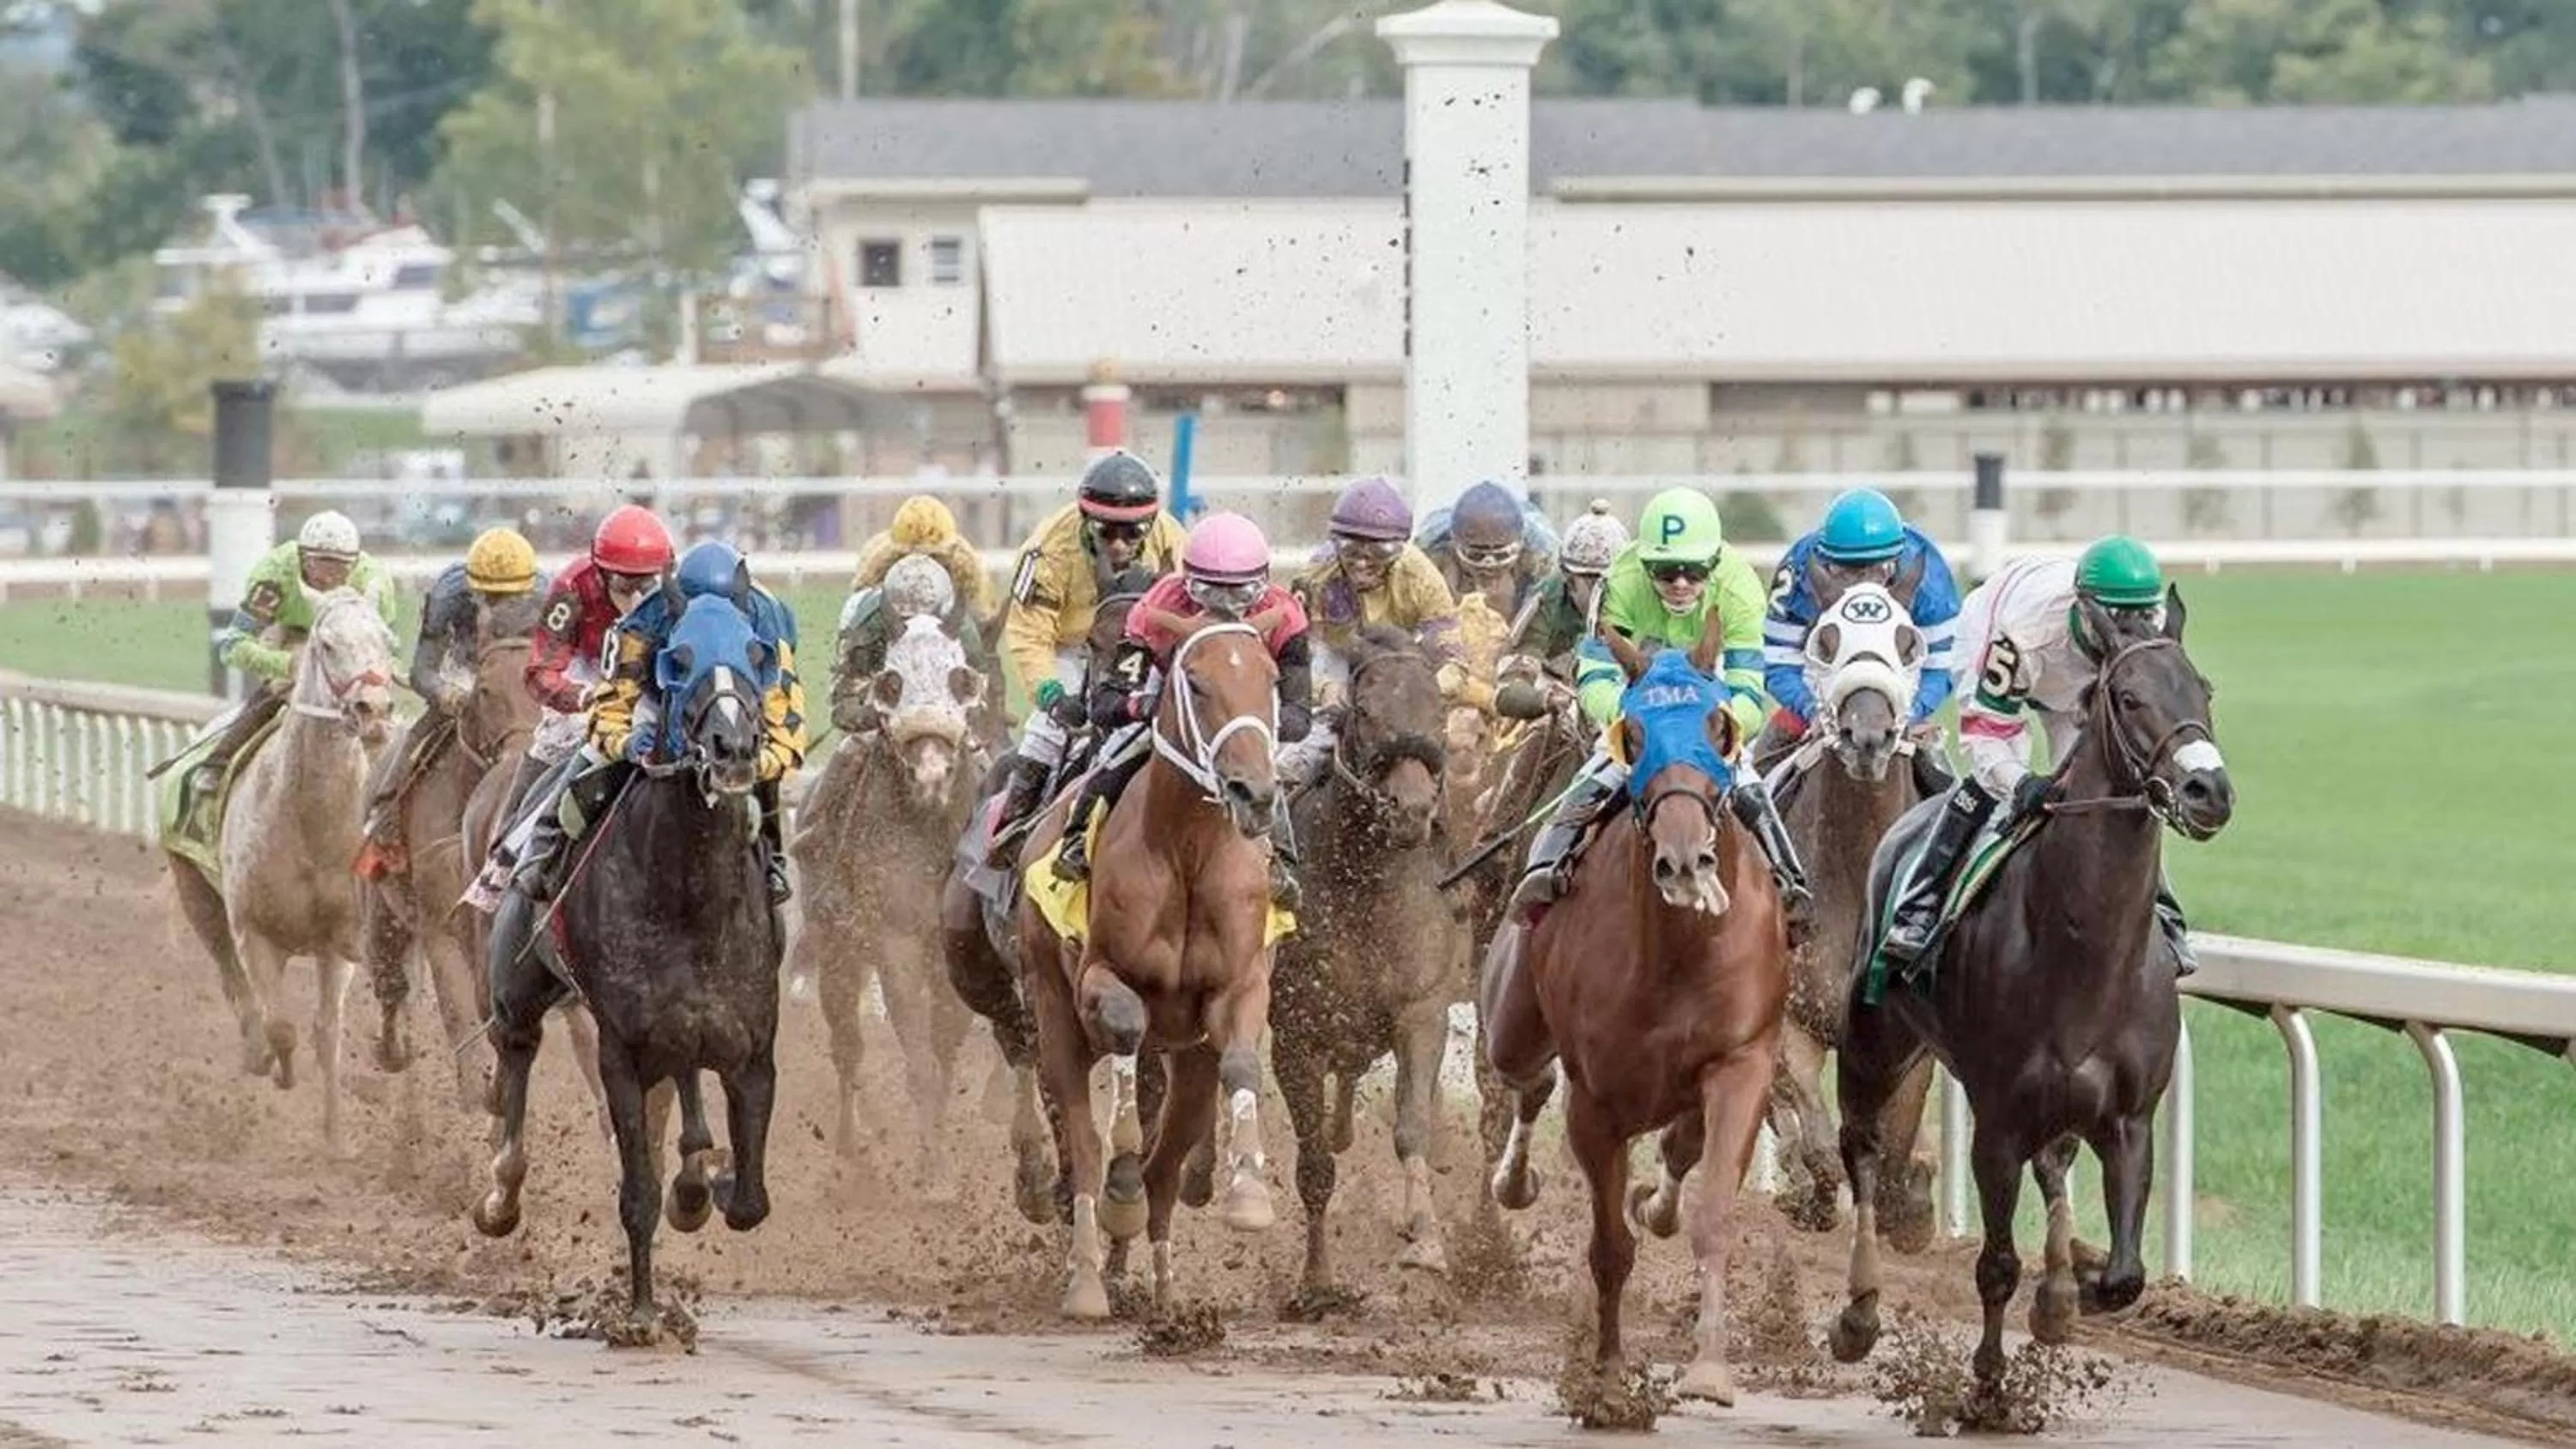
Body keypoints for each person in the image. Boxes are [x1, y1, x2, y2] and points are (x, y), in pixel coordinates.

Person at [1878, 535, 2200, 975]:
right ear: (2084, 607)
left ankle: (2162, 911)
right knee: (1996, 789)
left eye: (2140, 616)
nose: (2127, 628)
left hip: (2080, 681)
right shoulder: (2021, 639)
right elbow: (1986, 737)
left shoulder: (2151, 617)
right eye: (2115, 617)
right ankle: (1920, 905)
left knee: (2120, 784)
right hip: (1998, 630)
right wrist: (2023, 783)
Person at [1504, 488, 1815, 931]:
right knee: (1597, 770)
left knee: (1747, 778)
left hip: (1709, 697)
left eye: (1694, 571)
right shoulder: (1621, 578)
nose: (1682, 584)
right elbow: (1594, 677)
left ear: (1714, 563)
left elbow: (1749, 694)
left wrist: (1707, 729)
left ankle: (1789, 881)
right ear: (1645, 564)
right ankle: (1543, 868)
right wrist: (1635, 722)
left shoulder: (1741, 587)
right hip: (1641, 700)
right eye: (1666, 573)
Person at [512, 542, 805, 907]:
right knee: (593, 756)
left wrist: (760, 763)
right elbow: (612, 705)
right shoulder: (648, 617)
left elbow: (785, 724)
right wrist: (625, 743)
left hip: (739, 697)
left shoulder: (767, 621)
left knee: (758, 765)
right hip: (663, 697)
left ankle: (773, 859)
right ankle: (544, 846)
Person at [1048, 512, 1311, 908]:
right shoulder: (1154, 609)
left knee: (1262, 766)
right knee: (1118, 748)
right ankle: (1075, 837)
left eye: (1239, 597)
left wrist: (1252, 723)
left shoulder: (1287, 618)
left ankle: (1283, 865)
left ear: (1263, 585)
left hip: (1244, 700)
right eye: (1209, 594)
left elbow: (1298, 716)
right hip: (1170, 681)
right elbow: (1106, 703)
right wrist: (1150, 708)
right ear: (1188, 583)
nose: (1224, 608)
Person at [461, 506, 675, 912]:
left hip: (647, 679)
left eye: (644, 586)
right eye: (622, 585)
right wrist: (581, 697)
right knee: (558, 740)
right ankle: (506, 857)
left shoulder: (676, 590)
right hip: (585, 674)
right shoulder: (573, 588)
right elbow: (541, 672)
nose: (633, 598)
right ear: (599, 571)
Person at [986, 451, 1188, 859]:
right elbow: (1028, 634)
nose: (1118, 544)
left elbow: (1190, 606)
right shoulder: (1047, 550)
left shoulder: (1170, 536)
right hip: (1071, 647)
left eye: (1133, 533)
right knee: (1047, 730)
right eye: (1105, 530)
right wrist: (1052, 696)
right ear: (1084, 519)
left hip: (1143, 644)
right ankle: (1013, 827)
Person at [355, 526, 544, 878]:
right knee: (416, 736)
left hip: (518, 683)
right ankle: (386, 816)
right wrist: (447, 693)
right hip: (463, 674)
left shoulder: (547, 595)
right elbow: (421, 670)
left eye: (509, 597)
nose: (498, 605)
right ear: (472, 588)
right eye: (489, 596)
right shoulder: (448, 593)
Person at [183, 511, 397, 807]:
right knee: (280, 688)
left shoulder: (375, 582)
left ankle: (393, 777)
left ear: (355, 564)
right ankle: (219, 762)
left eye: (339, 569)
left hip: (349, 642)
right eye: (319, 566)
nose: (328, 578)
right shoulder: (274, 576)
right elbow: (233, 645)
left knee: (374, 701)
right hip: (290, 633)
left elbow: (384, 647)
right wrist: (288, 665)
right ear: (301, 558)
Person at [1752, 487, 1962, 784]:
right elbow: (1778, 658)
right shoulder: (1798, 568)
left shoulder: (1929, 574)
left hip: (1899, 694)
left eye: (1877, 570)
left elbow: (1944, 663)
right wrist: (1810, 709)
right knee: (1753, 779)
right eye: (1848, 571)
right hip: (1818, 688)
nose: (1864, 583)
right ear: (1825, 562)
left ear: (1896, 561)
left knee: (1950, 787)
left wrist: (1912, 712)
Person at [1283, 476, 1466, 788]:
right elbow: (1298, 655)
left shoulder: (1422, 578)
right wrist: (1325, 688)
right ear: (1334, 543)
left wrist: (1419, 692)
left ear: (1399, 549)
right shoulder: (1315, 576)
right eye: (1350, 548)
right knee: (1308, 740)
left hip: (1404, 662)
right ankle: (1292, 780)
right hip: (1339, 656)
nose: (1362, 562)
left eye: (1379, 551)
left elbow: (1453, 661)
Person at [831, 553, 989, 739]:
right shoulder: (870, 627)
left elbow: (981, 701)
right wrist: (878, 715)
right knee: (856, 746)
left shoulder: (962, 631)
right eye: (908, 619)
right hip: (882, 704)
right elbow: (843, 709)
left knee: (980, 753)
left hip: (947, 712)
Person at [1492, 500, 1625, 712]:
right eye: (1593, 581)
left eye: (1617, 582)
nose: (1606, 593)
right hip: (1560, 688)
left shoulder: (1643, 598)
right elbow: (1507, 689)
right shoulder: (1547, 600)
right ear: (1569, 581)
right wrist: (1543, 700)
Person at [850, 494, 998, 634]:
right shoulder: (877, 562)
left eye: (934, 557)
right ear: (894, 554)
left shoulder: (966, 565)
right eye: (909, 557)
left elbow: (983, 620)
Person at [1415, 478, 1558, 617]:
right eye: (1476, 555)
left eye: (1502, 555)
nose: (1489, 566)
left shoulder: (1543, 557)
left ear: (1520, 545)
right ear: (1454, 544)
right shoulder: (1427, 554)